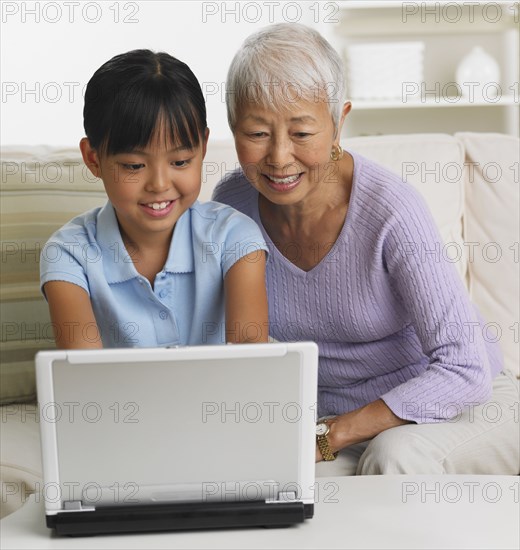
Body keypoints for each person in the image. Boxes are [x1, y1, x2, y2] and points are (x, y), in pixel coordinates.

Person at [212, 23, 519, 474]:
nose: (278, 157)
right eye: (257, 133)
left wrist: (328, 435)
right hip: (336, 421)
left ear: (339, 122)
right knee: (257, 480)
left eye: (301, 133)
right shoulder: (231, 205)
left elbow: (465, 367)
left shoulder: (392, 211)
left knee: (396, 456)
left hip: (465, 402)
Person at [40, 49, 268, 349]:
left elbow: (251, 361)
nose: (160, 185)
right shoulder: (69, 254)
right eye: (134, 166)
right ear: (93, 159)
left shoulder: (235, 237)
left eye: (181, 162)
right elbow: (84, 376)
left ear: (203, 147)